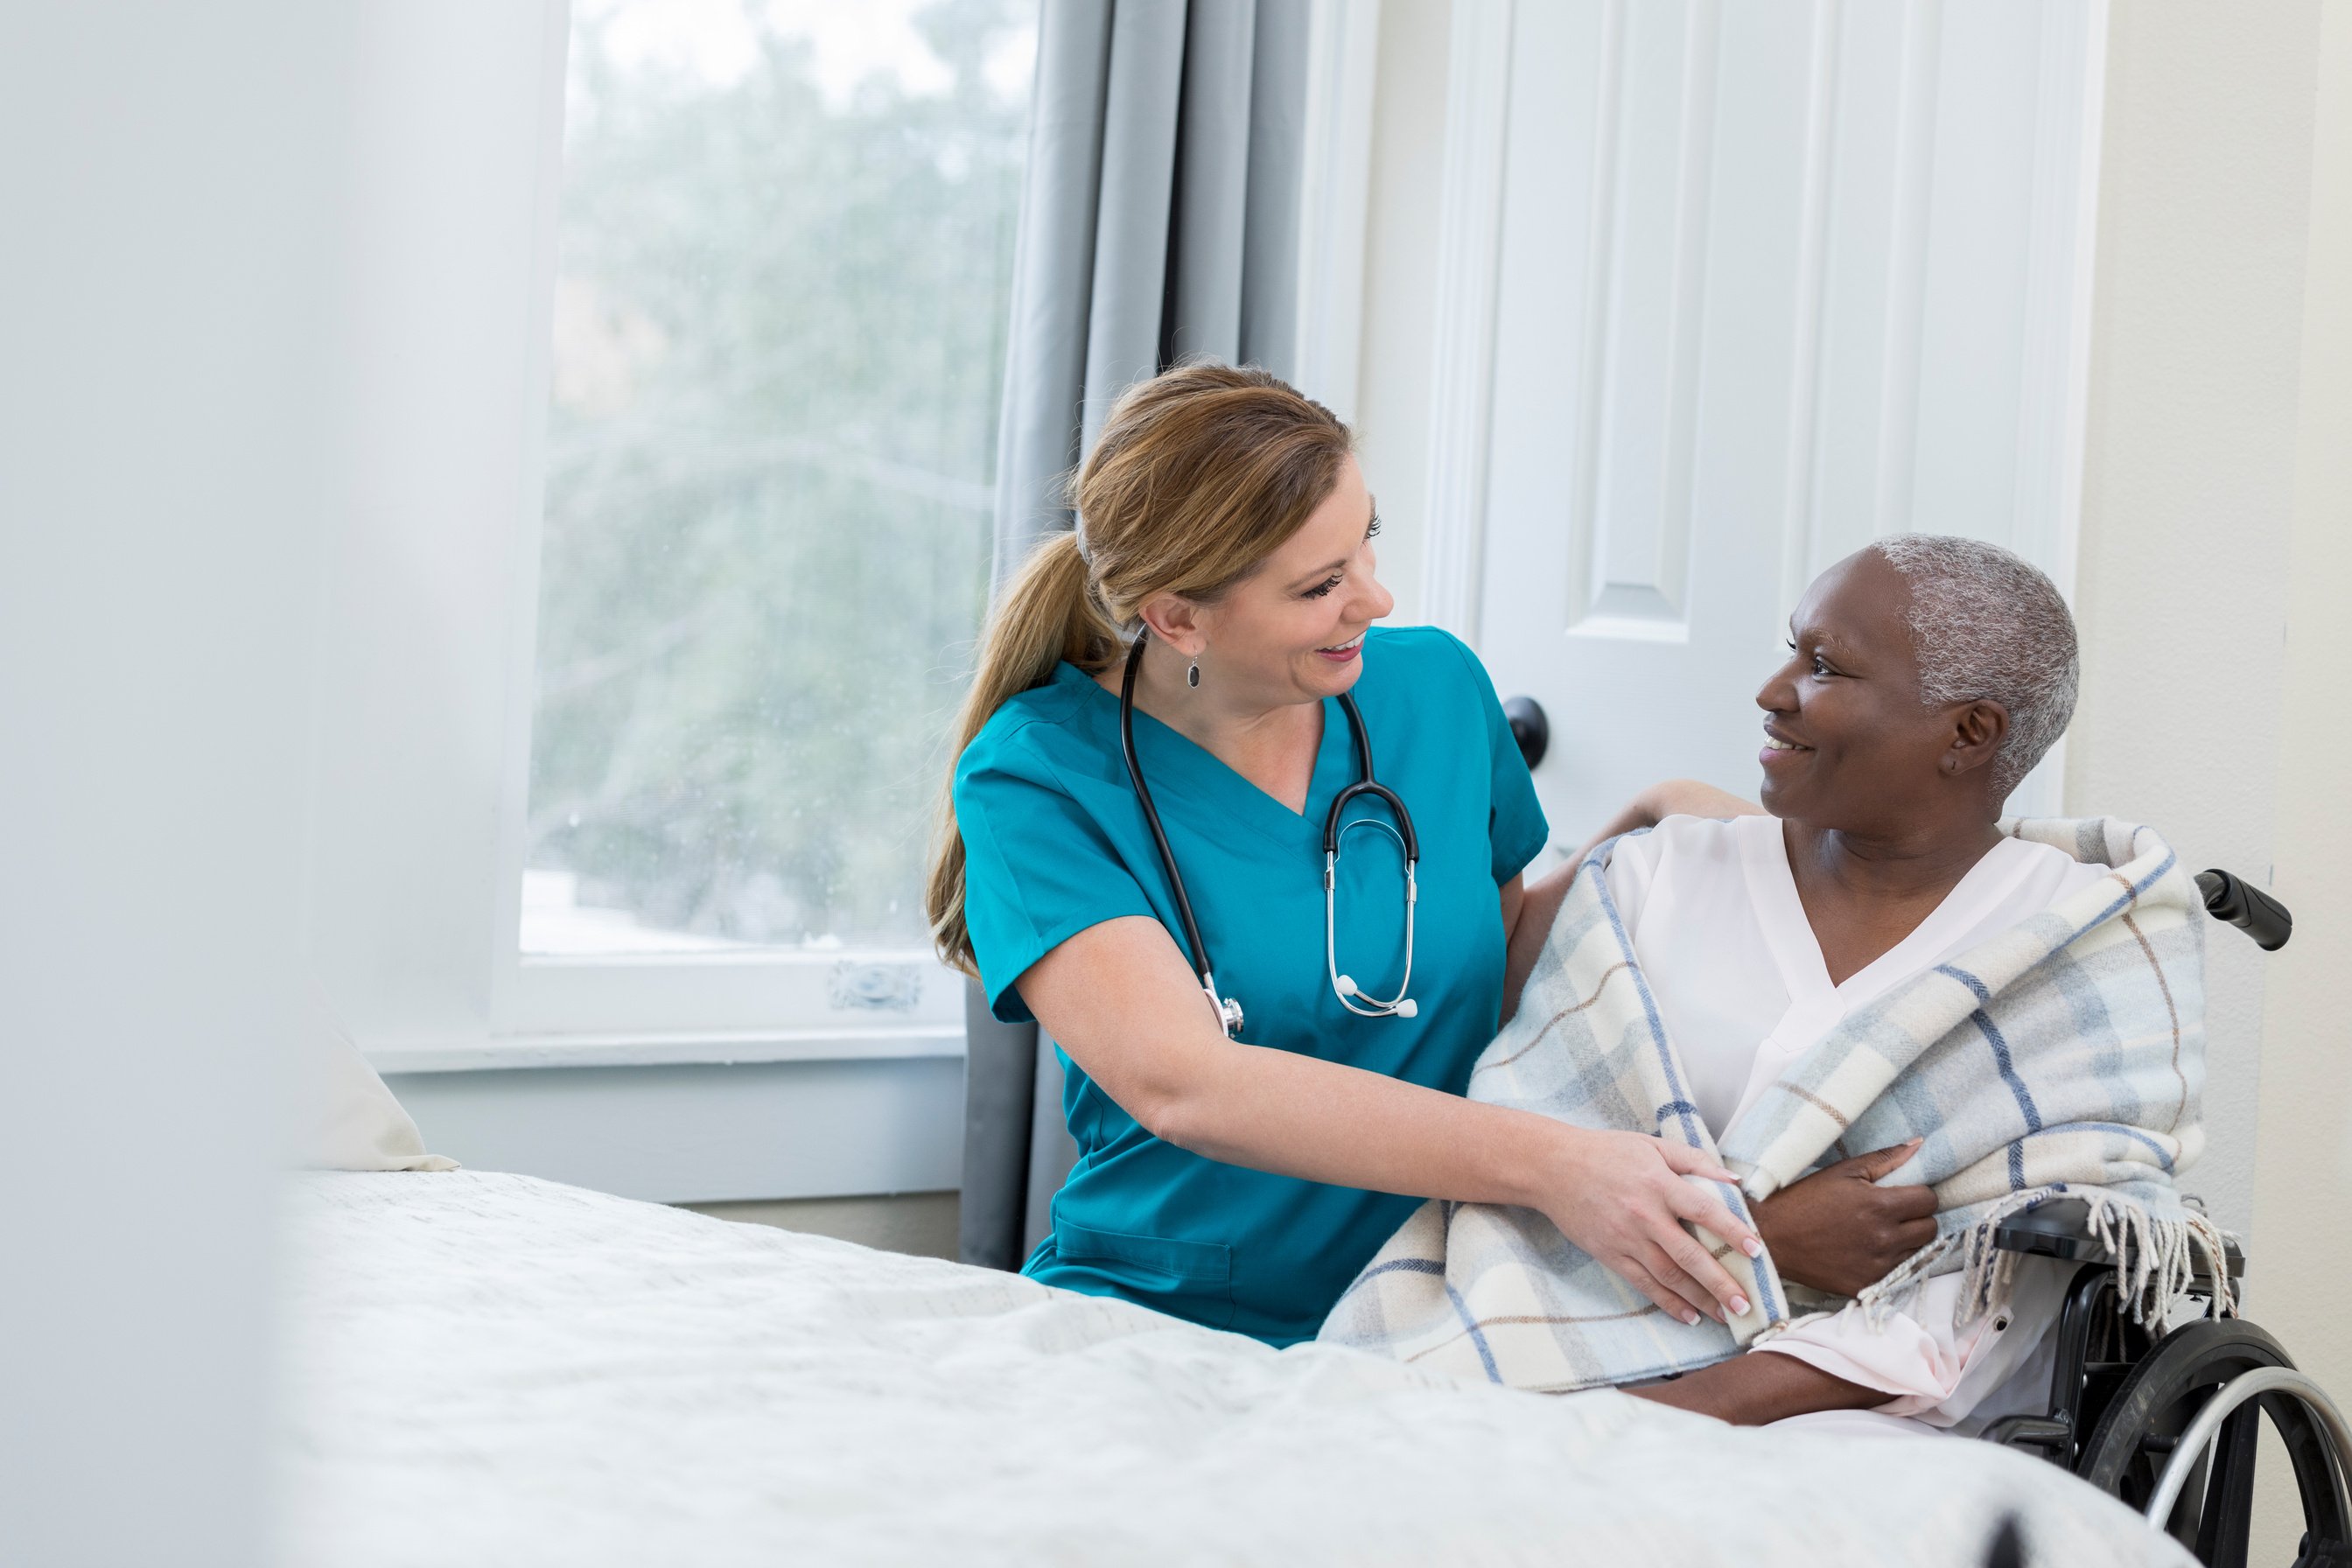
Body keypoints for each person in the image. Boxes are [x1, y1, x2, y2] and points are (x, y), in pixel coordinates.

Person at [926, 363, 1835, 1347]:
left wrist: (1641, 835)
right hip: (1177, 1317)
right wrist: (1560, 1165)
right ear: (1177, 615)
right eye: (1322, 585)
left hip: (1444, 1304)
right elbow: (1185, 1083)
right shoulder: (1038, 777)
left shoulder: (1436, 689)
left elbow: (1488, 962)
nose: (1377, 597)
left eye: (1368, 542)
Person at [1562, 535, 2095, 1432]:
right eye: (1791, 649)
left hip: (1880, 1427)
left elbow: (1990, 1302)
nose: (1772, 692)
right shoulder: (1660, 876)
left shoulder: (2068, 945)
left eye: (1825, 667)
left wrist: (1631, 1428)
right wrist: (1757, 1234)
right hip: (1575, 1345)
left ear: (1969, 733)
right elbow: (1527, 1146)